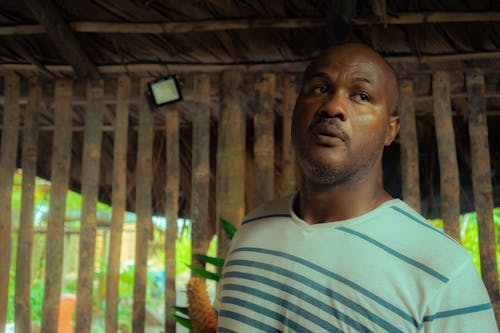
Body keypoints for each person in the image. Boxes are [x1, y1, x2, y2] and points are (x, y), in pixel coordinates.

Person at [215, 43, 498, 332]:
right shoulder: (250, 232)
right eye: (320, 89)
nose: (333, 107)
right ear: (296, 109)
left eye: (361, 96)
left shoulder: (441, 269)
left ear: (390, 130)